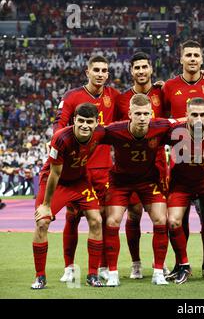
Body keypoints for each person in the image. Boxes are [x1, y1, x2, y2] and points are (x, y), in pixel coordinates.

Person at [54, 55, 120, 283]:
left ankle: (100, 267)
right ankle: (69, 267)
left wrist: (156, 87)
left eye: (104, 70)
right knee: (72, 217)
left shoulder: (114, 96)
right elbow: (59, 126)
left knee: (100, 218)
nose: (101, 74)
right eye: (97, 70)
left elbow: (133, 111)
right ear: (87, 72)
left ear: (108, 74)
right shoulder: (72, 96)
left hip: (103, 167)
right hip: (77, 169)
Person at [102, 94, 177, 286]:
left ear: (151, 114)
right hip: (121, 183)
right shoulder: (115, 130)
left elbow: (185, 121)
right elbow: (92, 133)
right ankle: (113, 273)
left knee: (161, 219)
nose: (142, 118)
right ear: (129, 114)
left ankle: (158, 271)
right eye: (138, 114)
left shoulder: (160, 126)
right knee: (112, 220)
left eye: (146, 113)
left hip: (148, 182)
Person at [162, 40, 204, 280]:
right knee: (178, 217)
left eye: (197, 54)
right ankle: (180, 264)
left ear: (202, 59)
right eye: (189, 55)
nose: (193, 59)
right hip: (179, 161)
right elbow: (161, 118)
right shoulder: (168, 87)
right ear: (181, 58)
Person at [31, 103, 105, 289]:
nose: (85, 125)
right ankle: (40, 276)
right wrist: (47, 204)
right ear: (74, 120)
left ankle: (92, 275)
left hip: (80, 181)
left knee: (96, 220)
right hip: (55, 183)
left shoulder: (101, 133)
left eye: (89, 121)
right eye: (81, 121)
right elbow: (55, 174)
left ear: (97, 123)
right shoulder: (61, 138)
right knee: (42, 222)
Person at [115, 51, 168, 279]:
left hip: (158, 163)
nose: (141, 71)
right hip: (132, 165)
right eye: (136, 68)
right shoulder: (121, 99)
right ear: (131, 72)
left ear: (151, 69)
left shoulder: (162, 92)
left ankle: (162, 264)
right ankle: (136, 263)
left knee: (163, 216)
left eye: (144, 67)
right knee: (134, 213)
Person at [165, 97, 204, 285]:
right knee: (174, 221)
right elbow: (153, 128)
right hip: (181, 184)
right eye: (194, 115)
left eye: (203, 115)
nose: (199, 119)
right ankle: (183, 265)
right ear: (186, 116)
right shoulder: (173, 130)